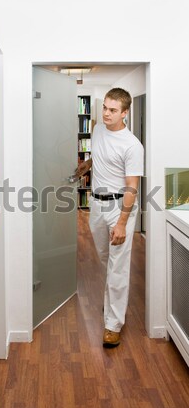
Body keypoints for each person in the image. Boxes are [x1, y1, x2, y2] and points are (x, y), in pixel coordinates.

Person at [76, 88, 144, 348]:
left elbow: (132, 186)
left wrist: (122, 223)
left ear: (124, 113)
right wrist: (88, 165)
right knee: (106, 259)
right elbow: (101, 156)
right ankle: (113, 302)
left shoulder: (132, 145)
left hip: (119, 207)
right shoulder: (98, 130)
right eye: (105, 107)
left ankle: (113, 325)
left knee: (117, 267)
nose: (106, 113)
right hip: (96, 204)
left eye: (113, 110)